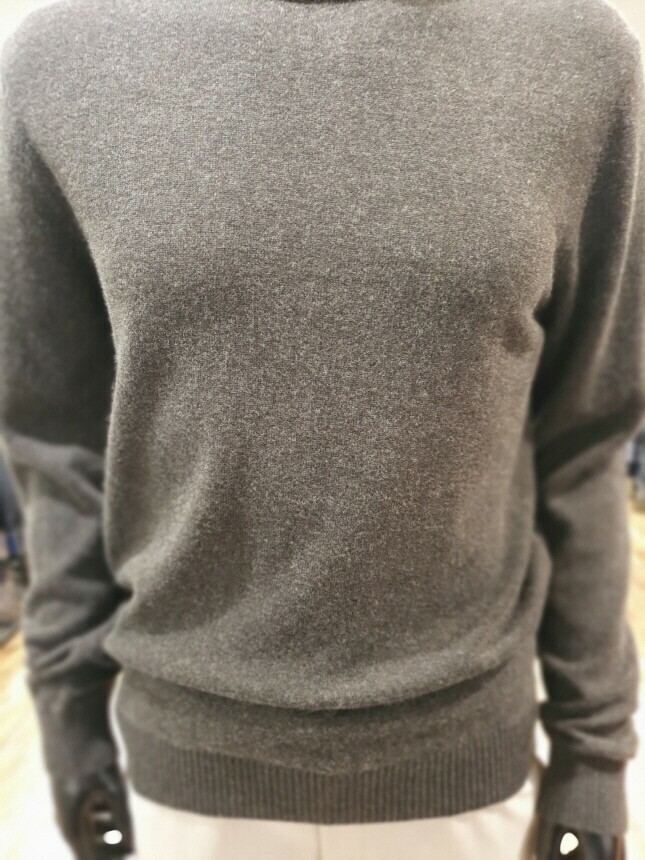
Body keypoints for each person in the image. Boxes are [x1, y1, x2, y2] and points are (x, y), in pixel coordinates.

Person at [0, 0, 644, 858]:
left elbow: (584, 441)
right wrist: (72, 733)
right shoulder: (62, 60)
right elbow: (58, 443)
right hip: (179, 775)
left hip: (466, 771)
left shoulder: (577, 56)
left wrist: (592, 755)